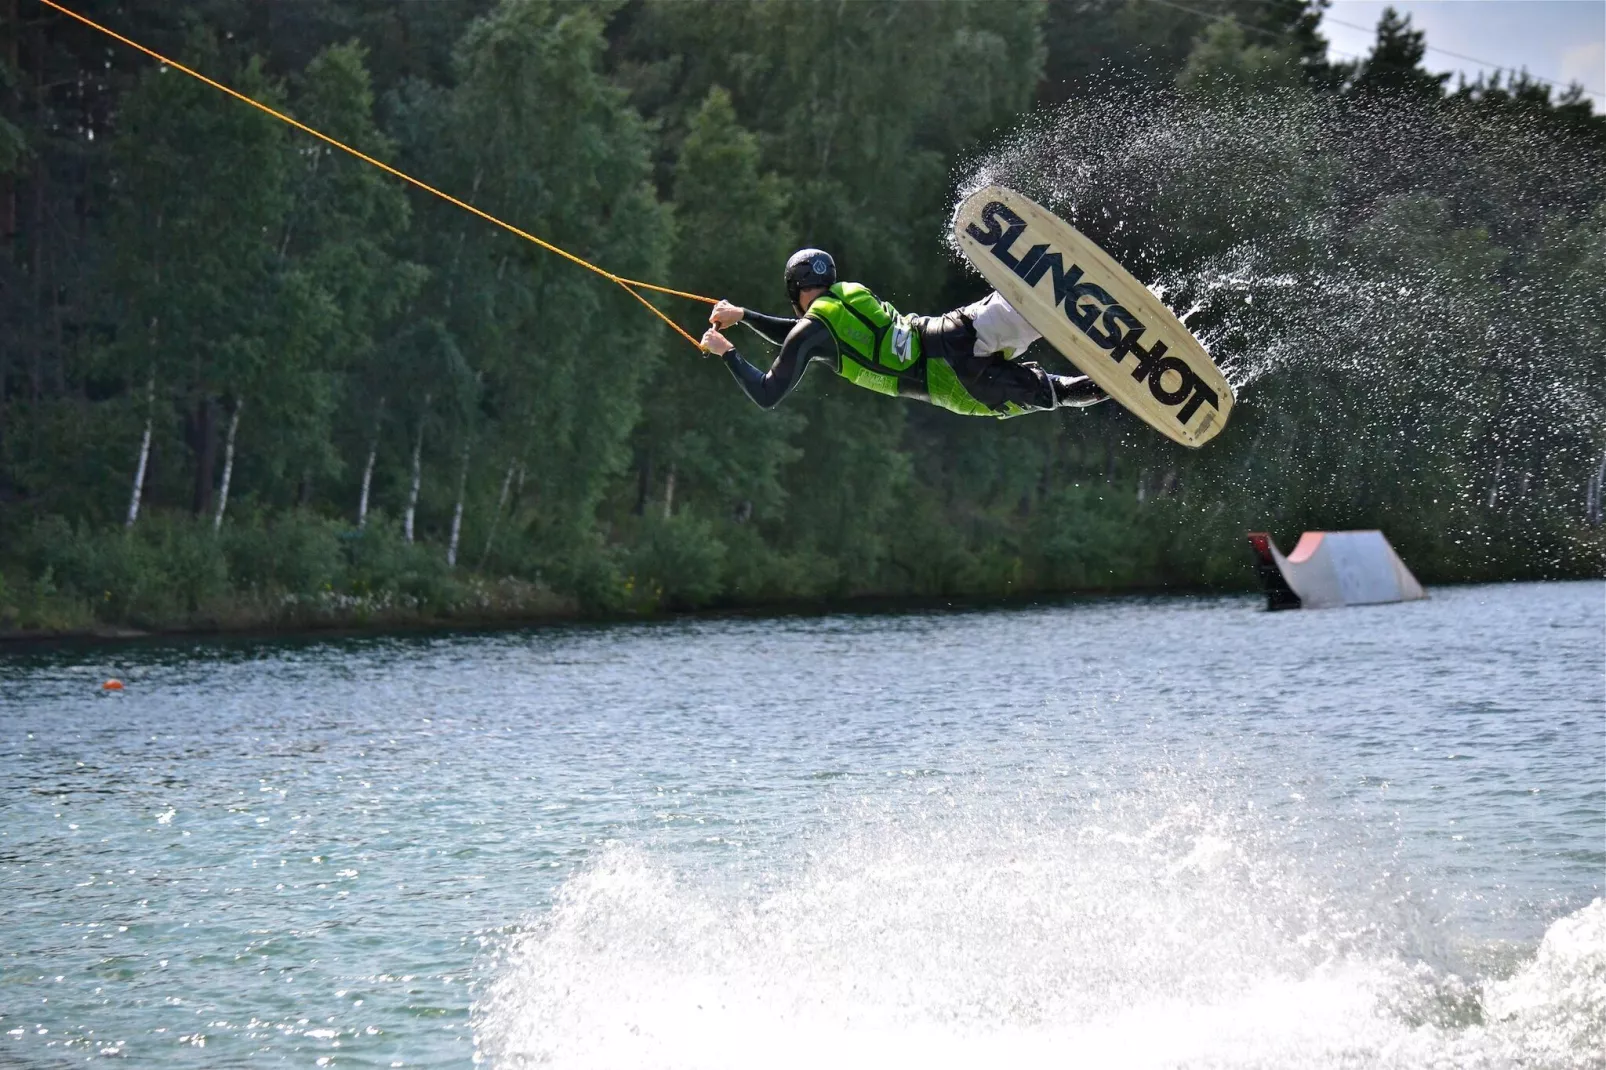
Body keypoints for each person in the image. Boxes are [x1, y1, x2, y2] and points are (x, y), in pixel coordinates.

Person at [699, 248, 1107, 418]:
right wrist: (745, 315)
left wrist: (727, 352)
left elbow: (769, 393)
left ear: (794, 291)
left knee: (1062, 392)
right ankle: (1095, 301)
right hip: (954, 330)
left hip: (953, 383)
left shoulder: (812, 331)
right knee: (1035, 307)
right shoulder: (847, 299)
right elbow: (801, 337)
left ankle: (1124, 376)